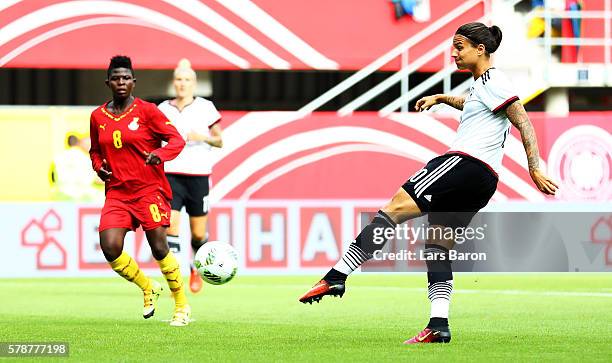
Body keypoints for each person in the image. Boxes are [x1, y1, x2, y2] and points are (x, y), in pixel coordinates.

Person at [298, 22, 558, 343]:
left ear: (481, 49)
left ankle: (336, 276)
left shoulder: (494, 79)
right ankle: (439, 325)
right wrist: (441, 98)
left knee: (393, 209)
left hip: (464, 162)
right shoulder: (482, 85)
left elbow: (523, 119)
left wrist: (535, 167)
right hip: (483, 179)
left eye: (460, 46)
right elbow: (473, 104)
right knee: (437, 248)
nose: (454, 53)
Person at [89, 55, 191, 326]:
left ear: (133, 82)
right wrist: (99, 167)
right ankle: (148, 287)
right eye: (115, 78)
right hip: (118, 193)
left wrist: (160, 154)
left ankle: (181, 305)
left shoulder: (147, 111)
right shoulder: (98, 116)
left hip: (149, 190)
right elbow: (95, 151)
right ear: (108, 82)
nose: (121, 82)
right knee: (110, 247)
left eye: (126, 78)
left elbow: (176, 140)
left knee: (159, 247)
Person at [158, 59, 223, 294]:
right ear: (173, 83)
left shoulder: (205, 107)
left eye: (186, 80)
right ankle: (176, 277)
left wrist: (202, 137)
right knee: (170, 228)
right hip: (171, 174)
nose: (182, 84)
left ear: (194, 84)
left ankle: (196, 267)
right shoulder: (163, 109)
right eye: (178, 79)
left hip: (198, 176)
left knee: (197, 233)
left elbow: (220, 140)